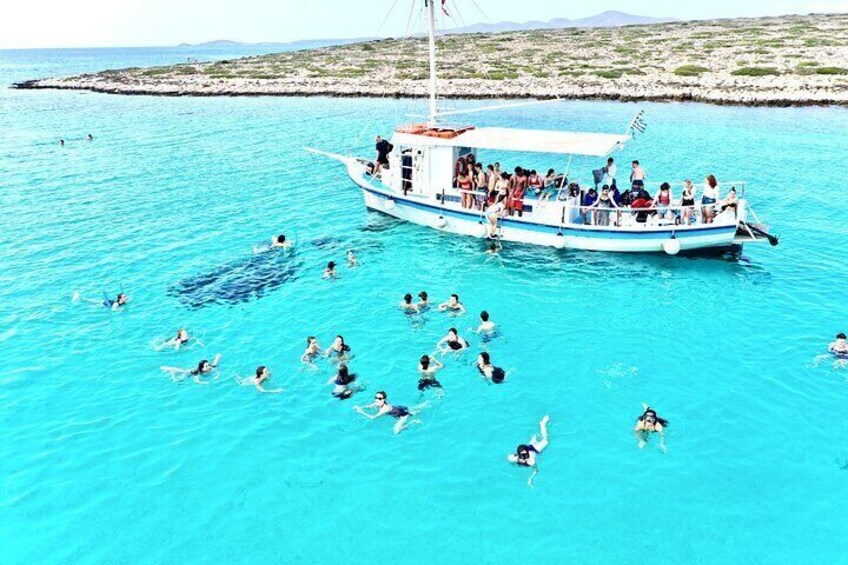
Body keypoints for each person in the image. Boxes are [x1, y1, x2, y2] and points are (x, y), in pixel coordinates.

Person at [507, 415, 551, 487]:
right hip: (527, 448)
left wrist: (530, 478)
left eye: (526, 456)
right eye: (523, 456)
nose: (525, 458)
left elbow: (536, 470)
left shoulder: (531, 461)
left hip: (534, 449)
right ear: (518, 455)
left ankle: (542, 424)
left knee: (546, 441)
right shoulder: (514, 458)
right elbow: (509, 457)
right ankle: (533, 440)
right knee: (532, 442)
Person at [354, 391, 425, 434]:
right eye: (375, 397)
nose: (377, 400)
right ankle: (415, 413)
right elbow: (369, 406)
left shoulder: (384, 409)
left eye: (379, 398)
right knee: (416, 411)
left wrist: (360, 412)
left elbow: (373, 418)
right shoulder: (377, 403)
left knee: (396, 432)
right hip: (400, 409)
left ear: (384, 399)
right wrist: (360, 407)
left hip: (403, 415)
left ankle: (413, 422)